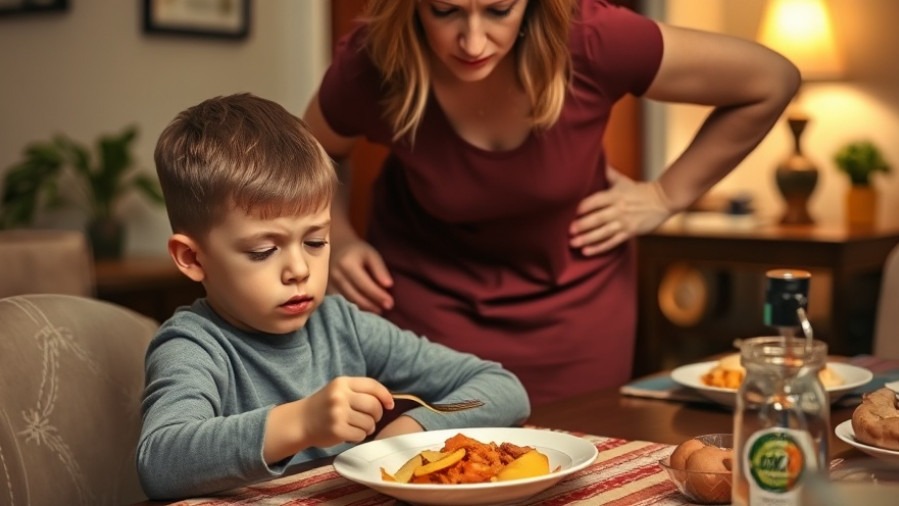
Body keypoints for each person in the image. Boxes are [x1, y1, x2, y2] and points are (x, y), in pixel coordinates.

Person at [302, 0, 800, 405]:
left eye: (499, 10)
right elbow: (316, 150)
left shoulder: (592, 39)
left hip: (575, 307)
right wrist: (340, 239)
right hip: (426, 309)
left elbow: (771, 80)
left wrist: (665, 195)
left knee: (577, 469)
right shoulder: (374, 58)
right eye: (445, 10)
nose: (473, 41)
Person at [137, 93, 530, 500]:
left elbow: (502, 386)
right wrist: (300, 422)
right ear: (191, 257)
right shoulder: (192, 345)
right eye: (263, 251)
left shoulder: (340, 324)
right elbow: (160, 462)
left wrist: (409, 430)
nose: (299, 270)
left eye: (315, 241)